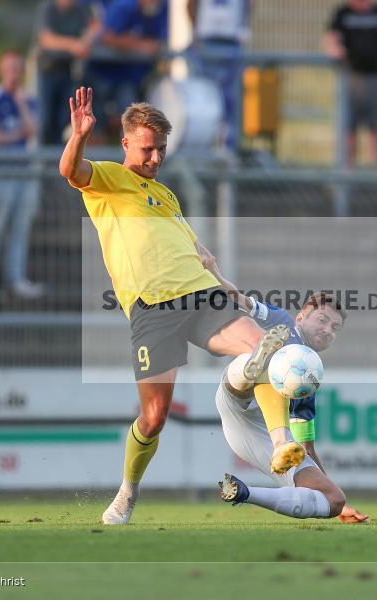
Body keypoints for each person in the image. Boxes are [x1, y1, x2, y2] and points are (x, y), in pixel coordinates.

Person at [60, 87, 306, 524]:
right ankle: (128, 491)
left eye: (161, 150)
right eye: (147, 149)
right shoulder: (110, 180)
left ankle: (281, 442)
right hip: (153, 308)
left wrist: (228, 287)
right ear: (126, 144)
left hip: (202, 293)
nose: (155, 159)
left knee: (267, 351)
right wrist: (79, 135)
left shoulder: (167, 196)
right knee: (154, 418)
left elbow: (198, 253)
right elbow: (70, 170)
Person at [210, 281, 368, 523]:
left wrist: (339, 499)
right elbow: (239, 298)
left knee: (333, 499)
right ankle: (257, 363)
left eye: (335, 327)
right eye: (323, 320)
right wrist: (213, 272)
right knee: (260, 360)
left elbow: (306, 447)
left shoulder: (309, 382)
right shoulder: (281, 321)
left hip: (255, 434)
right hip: (239, 394)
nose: (328, 330)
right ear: (301, 317)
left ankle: (244, 492)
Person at [0, 51, 44, 300]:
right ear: (1, 70)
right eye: (10, 68)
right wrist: (20, 135)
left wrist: (20, 103)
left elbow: (34, 129)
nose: (14, 72)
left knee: (20, 227)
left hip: (24, 172)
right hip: (1, 171)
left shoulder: (28, 99)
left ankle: (16, 279)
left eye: (18, 68)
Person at [324, 0, 377, 167]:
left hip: (376, 78)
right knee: (349, 129)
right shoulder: (343, 12)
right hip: (350, 78)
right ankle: (347, 177)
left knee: (376, 129)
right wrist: (335, 49)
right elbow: (330, 38)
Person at [88, 0, 168, 142]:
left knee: (131, 125)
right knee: (94, 125)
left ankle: (126, 162)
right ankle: (94, 162)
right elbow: (107, 37)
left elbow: (158, 44)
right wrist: (139, 45)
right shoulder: (124, 7)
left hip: (129, 79)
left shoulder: (162, 9)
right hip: (102, 75)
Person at [187, 0, 251, 150]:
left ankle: (228, 149)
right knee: (204, 102)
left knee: (231, 103)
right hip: (208, 41)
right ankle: (203, 148)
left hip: (230, 42)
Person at [36, 0, 96, 145]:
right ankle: (43, 161)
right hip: (48, 72)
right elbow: (46, 39)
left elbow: (95, 28)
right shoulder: (49, 9)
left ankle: (61, 161)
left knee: (65, 121)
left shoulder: (81, 10)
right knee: (46, 121)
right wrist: (73, 45)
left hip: (69, 73)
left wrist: (85, 41)